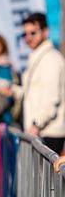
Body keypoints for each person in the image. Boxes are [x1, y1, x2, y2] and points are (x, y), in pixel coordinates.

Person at [20, 13, 65, 154]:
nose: (28, 38)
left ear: (45, 32)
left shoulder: (51, 59)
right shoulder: (36, 57)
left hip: (48, 133)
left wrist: (36, 125)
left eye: (33, 32)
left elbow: (52, 100)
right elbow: (33, 92)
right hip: (40, 132)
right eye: (25, 34)